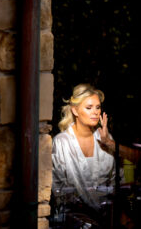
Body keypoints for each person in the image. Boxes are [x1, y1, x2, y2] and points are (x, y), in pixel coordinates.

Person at [51, 84, 116, 228]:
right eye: (89, 107)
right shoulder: (62, 143)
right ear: (75, 110)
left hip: (107, 219)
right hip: (72, 221)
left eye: (98, 107)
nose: (95, 112)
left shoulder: (106, 139)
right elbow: (58, 190)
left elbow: (115, 180)